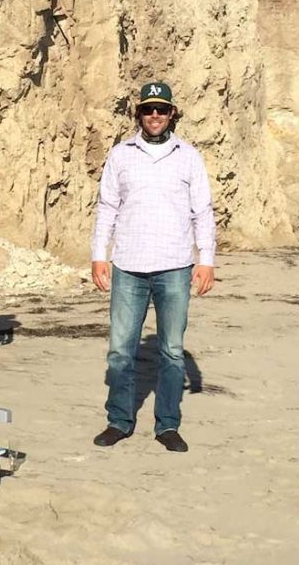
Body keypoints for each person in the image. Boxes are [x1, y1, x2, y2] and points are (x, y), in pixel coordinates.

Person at [88, 82, 217, 453]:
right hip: (128, 264)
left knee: (173, 350)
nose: (155, 115)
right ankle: (119, 421)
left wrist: (206, 260)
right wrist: (99, 254)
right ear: (139, 115)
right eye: (148, 109)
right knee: (119, 350)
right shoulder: (120, 155)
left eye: (162, 109)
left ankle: (167, 426)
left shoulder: (188, 156)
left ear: (172, 113)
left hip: (175, 265)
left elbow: (202, 211)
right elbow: (107, 207)